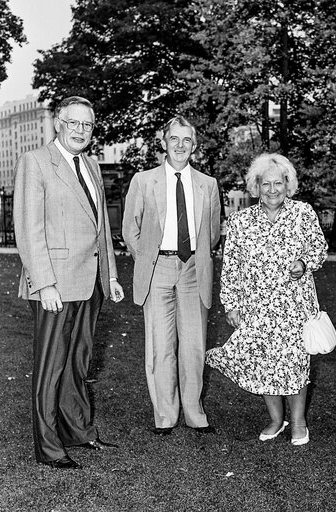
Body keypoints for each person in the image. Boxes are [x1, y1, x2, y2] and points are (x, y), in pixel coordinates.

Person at [13, 96, 125, 469]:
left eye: (87, 125)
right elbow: (29, 229)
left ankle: (77, 430)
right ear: (58, 124)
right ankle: (47, 446)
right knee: (51, 366)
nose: (80, 130)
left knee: (79, 362)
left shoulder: (91, 164)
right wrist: (43, 283)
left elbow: (101, 228)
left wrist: (109, 274)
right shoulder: (36, 162)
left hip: (89, 283)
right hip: (55, 285)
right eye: (73, 123)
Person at [206, 153, 328, 446]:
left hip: (294, 305)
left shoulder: (303, 213)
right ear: (255, 186)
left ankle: (298, 422)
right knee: (264, 362)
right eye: (265, 184)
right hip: (256, 306)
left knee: (294, 363)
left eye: (278, 183)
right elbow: (231, 264)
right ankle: (276, 419)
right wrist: (231, 303)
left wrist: (304, 262)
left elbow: (320, 248)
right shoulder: (240, 221)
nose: (272, 190)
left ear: (288, 183)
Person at [122, 115, 221, 436]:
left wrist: (194, 257)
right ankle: (165, 414)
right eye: (174, 139)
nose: (180, 146)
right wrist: (149, 258)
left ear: (195, 146)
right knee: (160, 345)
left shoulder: (208, 184)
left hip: (194, 269)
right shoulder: (143, 180)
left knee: (193, 344)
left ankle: (194, 412)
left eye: (187, 140)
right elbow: (129, 230)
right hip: (158, 270)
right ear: (163, 143)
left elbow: (213, 234)